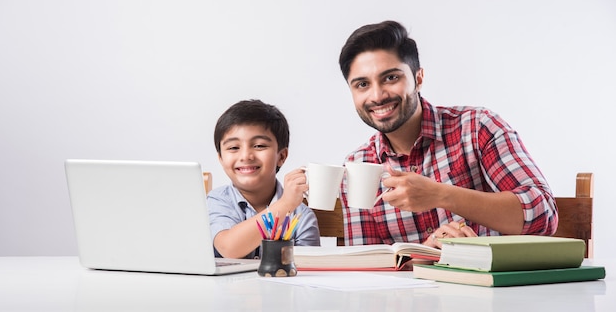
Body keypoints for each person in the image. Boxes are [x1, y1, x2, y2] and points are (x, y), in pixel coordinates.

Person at [337, 20, 557, 248]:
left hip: (490, 282)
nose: (377, 96)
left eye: (391, 78)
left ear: (418, 79)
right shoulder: (357, 165)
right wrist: (424, 251)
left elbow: (544, 214)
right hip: (411, 284)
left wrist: (441, 194)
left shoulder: (477, 127)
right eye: (362, 84)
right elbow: (364, 264)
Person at [207, 99, 320, 259]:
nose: (246, 156)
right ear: (221, 159)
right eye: (233, 148)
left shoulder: (301, 216)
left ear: (281, 156)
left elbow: (309, 270)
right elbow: (229, 248)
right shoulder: (217, 201)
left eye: (259, 146)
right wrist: (285, 204)